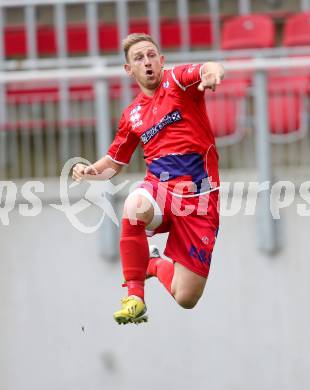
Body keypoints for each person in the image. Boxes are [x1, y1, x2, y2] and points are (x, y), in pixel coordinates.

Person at [72, 33, 224, 325]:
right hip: (161, 189)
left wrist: (212, 75)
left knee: (185, 297)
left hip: (200, 199)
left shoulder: (178, 82)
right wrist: (91, 170)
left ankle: (152, 262)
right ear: (129, 69)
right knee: (134, 205)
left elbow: (208, 68)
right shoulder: (132, 115)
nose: (147, 62)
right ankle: (135, 296)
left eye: (151, 55)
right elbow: (114, 163)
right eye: (139, 58)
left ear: (162, 60)